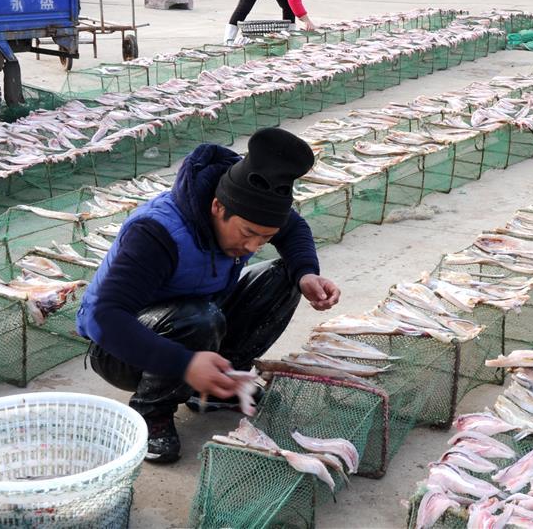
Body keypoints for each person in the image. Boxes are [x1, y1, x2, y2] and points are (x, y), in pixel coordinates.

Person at [77, 128, 341, 463]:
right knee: (200, 319)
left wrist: (306, 272)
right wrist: (184, 363)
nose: (252, 247)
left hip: (200, 319)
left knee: (285, 277)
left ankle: (215, 386)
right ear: (218, 207)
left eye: (264, 238)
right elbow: (105, 319)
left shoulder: (251, 213)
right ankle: (151, 411)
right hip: (122, 349)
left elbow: (293, 229)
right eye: (248, 234)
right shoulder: (155, 233)